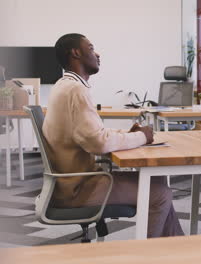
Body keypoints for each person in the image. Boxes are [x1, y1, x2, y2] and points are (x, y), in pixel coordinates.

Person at [42, 33, 183, 238]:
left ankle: (177, 252)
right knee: (161, 194)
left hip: (71, 183)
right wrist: (142, 137)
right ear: (76, 53)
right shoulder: (75, 90)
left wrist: (128, 134)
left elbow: (93, 133)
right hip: (78, 189)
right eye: (91, 48)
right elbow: (99, 143)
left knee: (159, 183)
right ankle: (152, 256)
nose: (97, 54)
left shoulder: (64, 86)